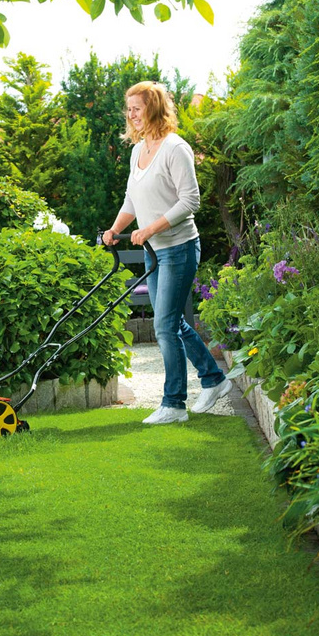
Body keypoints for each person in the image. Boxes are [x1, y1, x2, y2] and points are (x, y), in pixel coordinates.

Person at [103, 81, 231, 425]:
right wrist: (116, 229)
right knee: (171, 322)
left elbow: (191, 201)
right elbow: (133, 199)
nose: (131, 115)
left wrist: (150, 228)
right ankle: (214, 379)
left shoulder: (175, 148)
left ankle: (173, 403)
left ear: (155, 109)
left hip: (179, 248)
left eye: (137, 108)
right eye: (128, 109)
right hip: (153, 252)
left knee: (163, 325)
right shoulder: (137, 151)